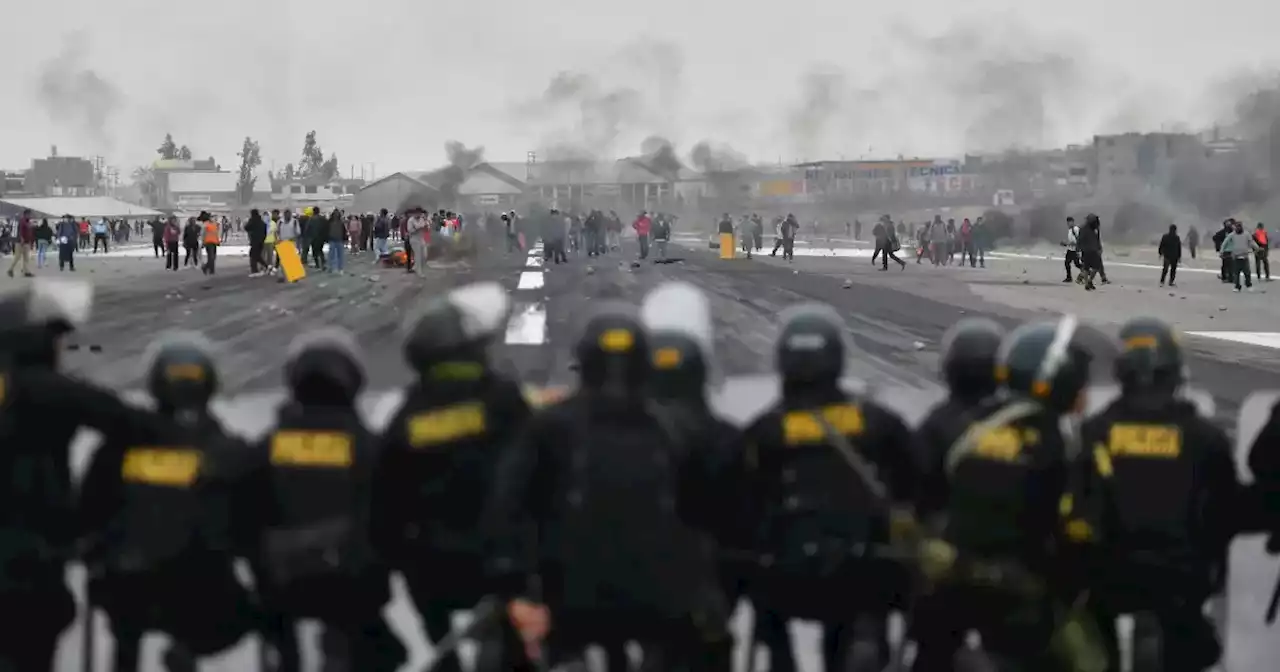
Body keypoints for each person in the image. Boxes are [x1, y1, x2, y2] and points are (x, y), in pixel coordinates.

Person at [482, 306, 734, 670]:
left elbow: (509, 507)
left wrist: (516, 591)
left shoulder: (549, 428)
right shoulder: (674, 430)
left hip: (570, 602)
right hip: (659, 604)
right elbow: (712, 518)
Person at [911, 316, 1098, 672]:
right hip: (1023, 602)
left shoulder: (961, 427)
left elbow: (916, 499)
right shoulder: (1061, 443)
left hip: (948, 590)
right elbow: (1076, 530)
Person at [372, 282, 532, 672]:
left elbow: (384, 505)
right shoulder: (502, 399)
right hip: (499, 558)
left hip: (432, 566)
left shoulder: (405, 418)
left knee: (435, 621)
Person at [78, 332, 257, 672]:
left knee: (124, 612)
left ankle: (126, 656)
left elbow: (89, 510)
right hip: (204, 590)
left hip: (127, 588)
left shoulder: (119, 447)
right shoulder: (227, 448)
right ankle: (186, 649)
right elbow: (250, 517)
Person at [230, 328, 406, 672]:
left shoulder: (267, 447)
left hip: (280, 587)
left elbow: (241, 513)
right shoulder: (368, 447)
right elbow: (393, 514)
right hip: (354, 587)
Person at [1079, 317, 1239, 672]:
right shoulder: (1205, 438)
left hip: (1108, 579)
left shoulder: (1093, 432)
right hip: (1181, 581)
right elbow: (1225, 513)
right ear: (1173, 371)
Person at [1222, 218, 1260, 292]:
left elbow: (1251, 242)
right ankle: (1237, 286)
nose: (1238, 228)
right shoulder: (1232, 235)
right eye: (1237, 226)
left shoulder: (1246, 234)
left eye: (1240, 226)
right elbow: (1225, 243)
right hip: (1236, 257)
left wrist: (1257, 248)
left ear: (1242, 227)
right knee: (1236, 273)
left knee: (1247, 272)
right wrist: (1221, 251)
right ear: (1235, 227)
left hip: (1245, 256)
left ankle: (1249, 285)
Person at [6, 209, 33, 278]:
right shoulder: (22, 221)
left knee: (26, 258)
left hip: (26, 242)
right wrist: (21, 238)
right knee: (17, 257)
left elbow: (28, 231)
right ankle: (10, 269)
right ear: (26, 214)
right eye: (29, 214)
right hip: (21, 242)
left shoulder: (28, 222)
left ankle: (26, 272)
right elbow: (20, 230)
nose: (30, 216)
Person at [245, 209, 268, 277]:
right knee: (257, 256)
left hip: (255, 241)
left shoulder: (253, 220)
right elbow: (265, 232)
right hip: (261, 241)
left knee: (253, 255)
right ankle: (266, 266)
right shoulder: (261, 222)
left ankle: (254, 270)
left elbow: (247, 228)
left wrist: (249, 221)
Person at [1062, 217, 1083, 283]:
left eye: (1070, 222)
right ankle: (1069, 277)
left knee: (1077, 264)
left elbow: (1078, 240)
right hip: (1070, 249)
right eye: (1068, 222)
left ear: (1073, 222)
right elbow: (1071, 241)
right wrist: (1065, 244)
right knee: (1067, 263)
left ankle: (1086, 271)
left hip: (1075, 250)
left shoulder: (1076, 229)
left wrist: (1068, 243)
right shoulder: (1070, 230)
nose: (1069, 224)